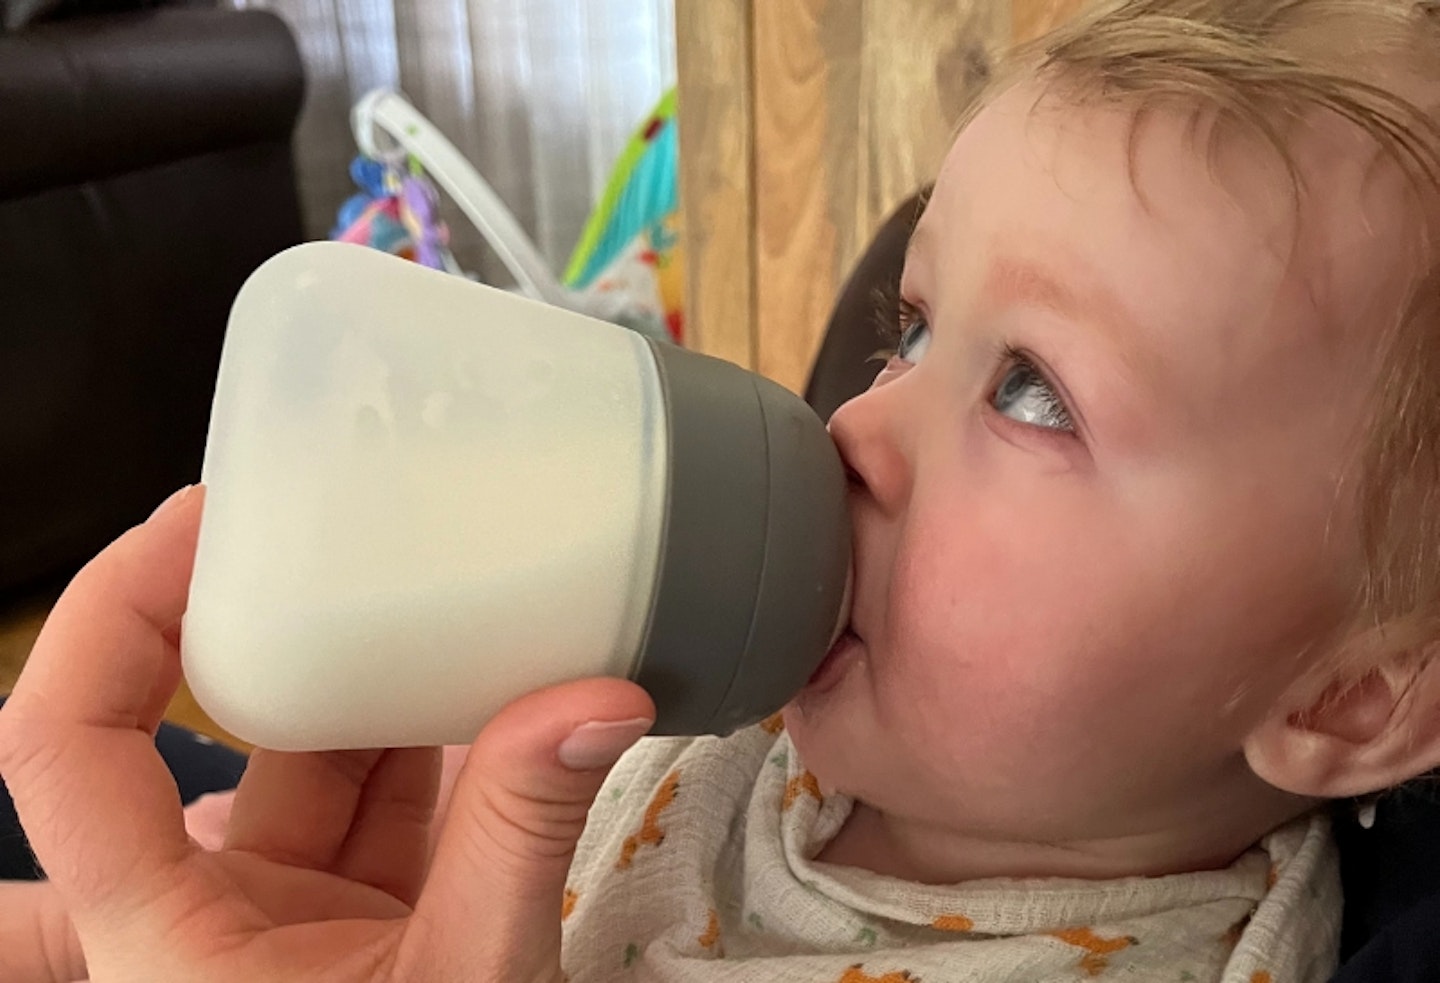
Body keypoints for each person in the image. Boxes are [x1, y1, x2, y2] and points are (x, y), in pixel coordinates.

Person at [5, 0, 1440, 979]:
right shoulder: (776, 711)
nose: (859, 424)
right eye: (913, 331)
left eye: (1031, 394)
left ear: (1345, 700)